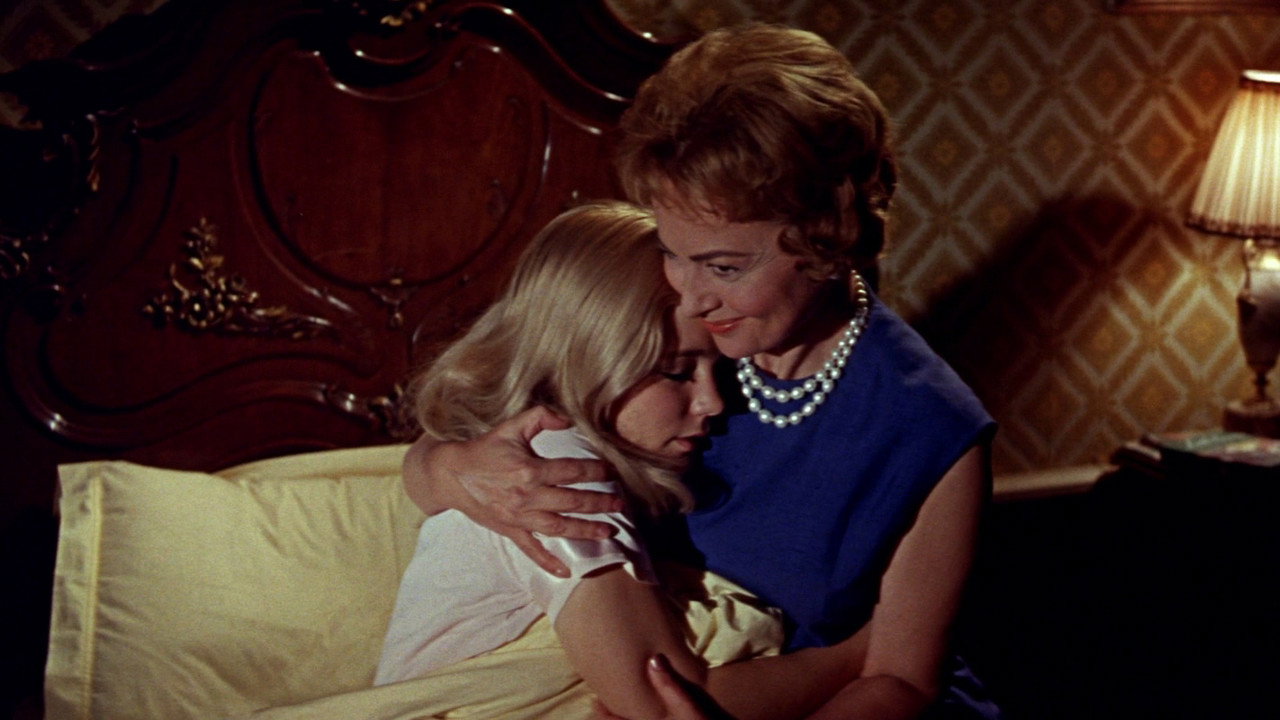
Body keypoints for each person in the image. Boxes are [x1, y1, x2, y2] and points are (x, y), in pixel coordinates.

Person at [403, 24, 1000, 720]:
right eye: (673, 251)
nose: (689, 295)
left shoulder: (930, 428)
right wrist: (455, 468)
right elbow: (454, 450)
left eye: (723, 266)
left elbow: (899, 681)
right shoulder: (662, 331)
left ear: (828, 239)